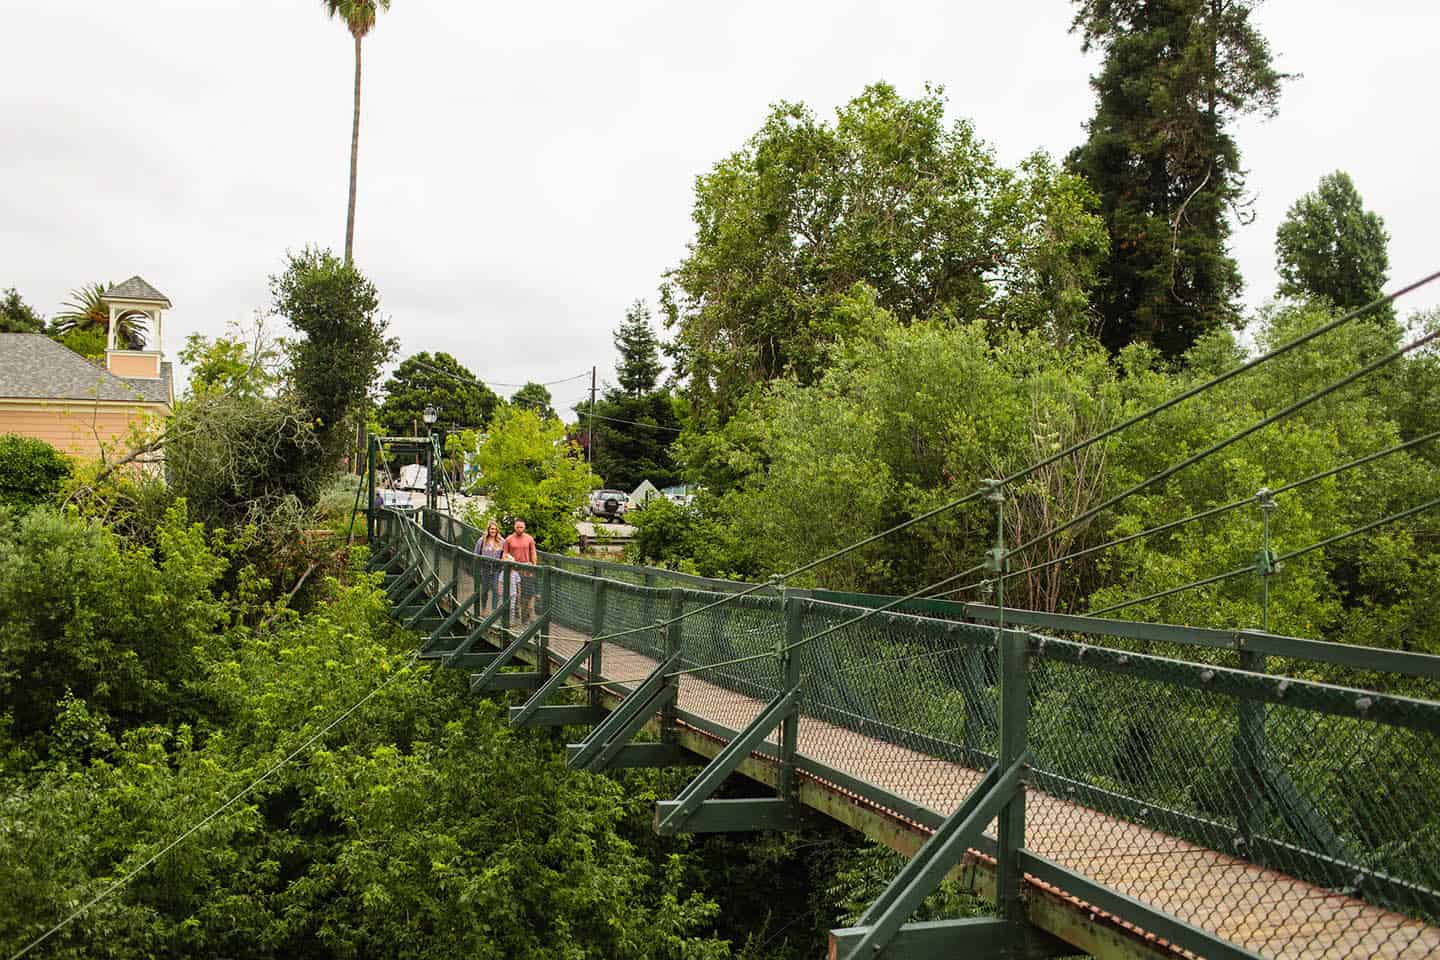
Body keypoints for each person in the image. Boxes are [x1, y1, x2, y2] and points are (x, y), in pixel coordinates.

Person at [502, 518, 538, 624]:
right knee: (517, 593)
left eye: (521, 527)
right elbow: (504, 554)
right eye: (517, 527)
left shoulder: (529, 539)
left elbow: (533, 552)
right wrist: (508, 562)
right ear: (514, 527)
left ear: (524, 527)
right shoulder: (508, 539)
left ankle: (528, 616)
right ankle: (516, 613)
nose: (519, 529)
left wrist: (534, 566)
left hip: (526, 569)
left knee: (529, 593)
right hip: (514, 570)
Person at [474, 520, 505, 613]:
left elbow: (505, 554)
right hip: (485, 568)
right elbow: (476, 553)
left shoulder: (502, 541)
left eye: (495, 529)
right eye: (491, 529)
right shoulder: (482, 540)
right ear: (488, 529)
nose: (493, 531)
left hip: (496, 568)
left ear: (497, 530)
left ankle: (494, 611)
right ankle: (483, 608)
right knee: (485, 590)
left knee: (496, 589)